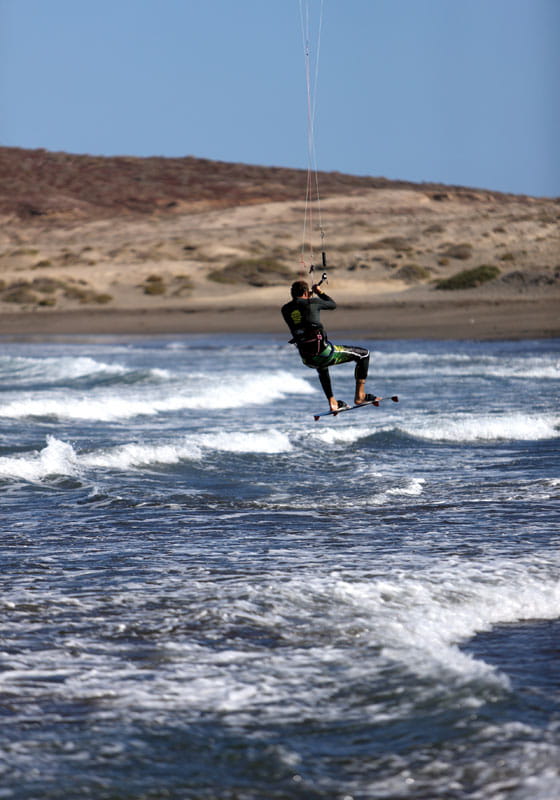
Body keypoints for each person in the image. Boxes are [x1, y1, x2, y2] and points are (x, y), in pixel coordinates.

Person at [282, 279, 379, 413]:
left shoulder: (285, 309)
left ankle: (332, 402)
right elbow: (332, 305)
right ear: (305, 292)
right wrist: (319, 292)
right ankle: (360, 396)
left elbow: (300, 313)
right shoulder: (313, 302)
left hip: (307, 359)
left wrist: (308, 297)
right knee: (364, 354)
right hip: (324, 353)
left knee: (321, 366)